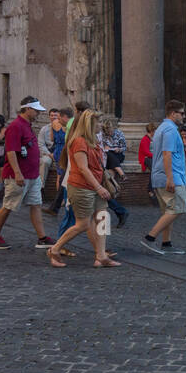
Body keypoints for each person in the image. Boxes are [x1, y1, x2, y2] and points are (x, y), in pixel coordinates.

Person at [45, 109, 120, 268]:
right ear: (89, 124)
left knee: (103, 218)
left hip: (95, 187)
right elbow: (83, 168)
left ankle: (101, 255)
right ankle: (55, 249)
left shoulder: (93, 140)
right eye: (98, 122)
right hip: (82, 187)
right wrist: (99, 188)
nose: (101, 124)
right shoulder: (79, 141)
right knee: (83, 224)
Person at [0, 98, 54, 250]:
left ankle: (42, 238)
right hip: (19, 176)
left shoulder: (27, 125)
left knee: (36, 204)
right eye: (36, 110)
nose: (38, 113)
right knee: (8, 206)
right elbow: (11, 151)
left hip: (32, 175)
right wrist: (17, 173)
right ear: (28, 109)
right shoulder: (16, 126)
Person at [143, 99, 186, 255]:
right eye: (182, 113)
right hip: (170, 176)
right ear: (173, 113)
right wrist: (170, 178)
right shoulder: (169, 130)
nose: (183, 116)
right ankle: (150, 237)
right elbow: (166, 154)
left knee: (168, 211)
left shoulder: (162, 128)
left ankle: (166, 243)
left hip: (160, 176)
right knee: (178, 209)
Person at [99, 115, 130, 228]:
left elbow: (123, 147)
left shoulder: (117, 133)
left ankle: (101, 230)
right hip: (107, 161)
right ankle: (120, 212)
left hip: (112, 158)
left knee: (101, 196)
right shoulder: (100, 135)